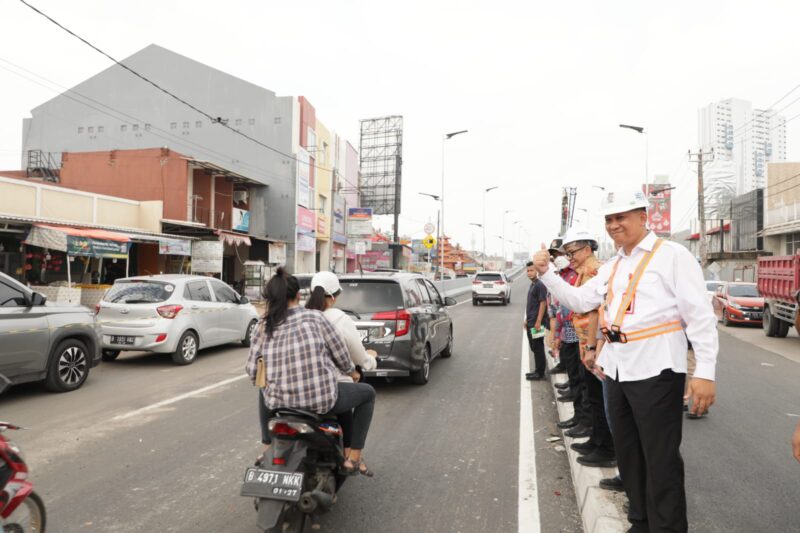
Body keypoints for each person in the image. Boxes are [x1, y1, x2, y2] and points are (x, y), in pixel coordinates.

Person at [533, 188, 718, 533]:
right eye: (609, 220)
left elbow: (700, 316)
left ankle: (667, 528)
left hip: (657, 368)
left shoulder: (672, 255)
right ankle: (641, 521)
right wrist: (546, 274)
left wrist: (705, 371)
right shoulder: (614, 265)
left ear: (643, 217)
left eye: (622, 217)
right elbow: (578, 300)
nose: (615, 225)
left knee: (660, 458)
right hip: (617, 368)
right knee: (630, 453)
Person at [246, 268, 377, 477]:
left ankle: (266, 446)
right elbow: (342, 357)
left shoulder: (263, 324)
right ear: (298, 295)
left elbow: (253, 372)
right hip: (320, 401)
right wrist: (352, 373)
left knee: (262, 388)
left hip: (278, 405)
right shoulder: (316, 318)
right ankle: (354, 457)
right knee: (368, 393)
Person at [305, 271, 377, 474]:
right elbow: (357, 358)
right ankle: (354, 456)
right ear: (334, 296)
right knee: (364, 392)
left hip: (295, 388)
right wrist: (370, 360)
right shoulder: (338, 319)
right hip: (328, 387)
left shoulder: (300, 316)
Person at [558, 228, 616, 469]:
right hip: (584, 342)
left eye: (572, 252)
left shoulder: (594, 271)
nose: (569, 257)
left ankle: (605, 448)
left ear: (587, 249)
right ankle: (595, 439)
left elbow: (594, 312)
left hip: (594, 344)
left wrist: (593, 346)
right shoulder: (583, 271)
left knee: (599, 397)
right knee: (591, 394)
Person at [524, 261, 548, 380]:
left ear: (537, 271)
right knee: (534, 346)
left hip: (536, 322)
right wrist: (526, 320)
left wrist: (538, 321)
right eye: (528, 271)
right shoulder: (532, 284)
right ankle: (537, 370)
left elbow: (543, 303)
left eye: (532, 270)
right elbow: (531, 304)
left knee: (538, 347)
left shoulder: (539, 285)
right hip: (530, 321)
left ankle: (540, 372)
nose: (529, 273)